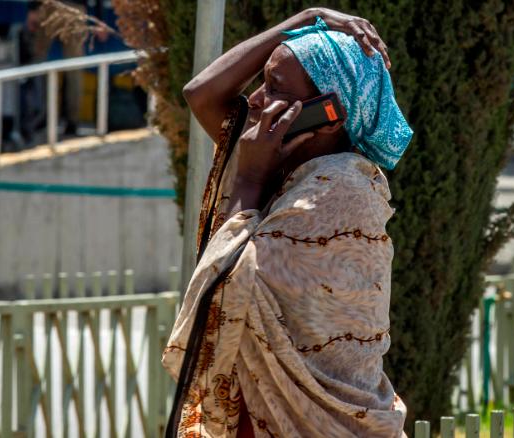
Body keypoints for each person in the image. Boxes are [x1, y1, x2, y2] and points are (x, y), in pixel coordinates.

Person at [162, 7, 414, 438]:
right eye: (262, 80)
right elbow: (200, 94)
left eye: (274, 86)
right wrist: (306, 19)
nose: (256, 99)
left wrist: (248, 177)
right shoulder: (283, 163)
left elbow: (224, 290)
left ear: (327, 112)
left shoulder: (341, 191)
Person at [22, 0, 105, 138]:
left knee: (39, 65)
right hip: (75, 10)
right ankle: (72, 121)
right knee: (74, 69)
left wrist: (32, 9)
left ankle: (41, 116)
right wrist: (99, 19)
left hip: (48, 7)